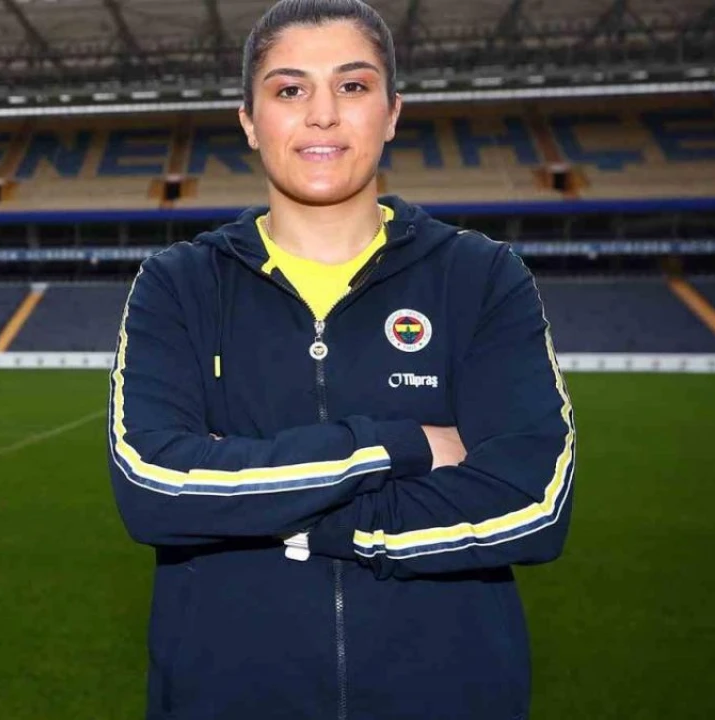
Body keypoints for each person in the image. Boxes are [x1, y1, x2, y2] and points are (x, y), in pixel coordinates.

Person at [105, 1, 576, 718]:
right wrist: (398, 445)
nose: (322, 114)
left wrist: (301, 521)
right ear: (249, 121)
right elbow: (154, 487)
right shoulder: (179, 284)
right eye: (290, 89)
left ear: (391, 113)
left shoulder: (481, 276)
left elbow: (534, 503)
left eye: (352, 86)